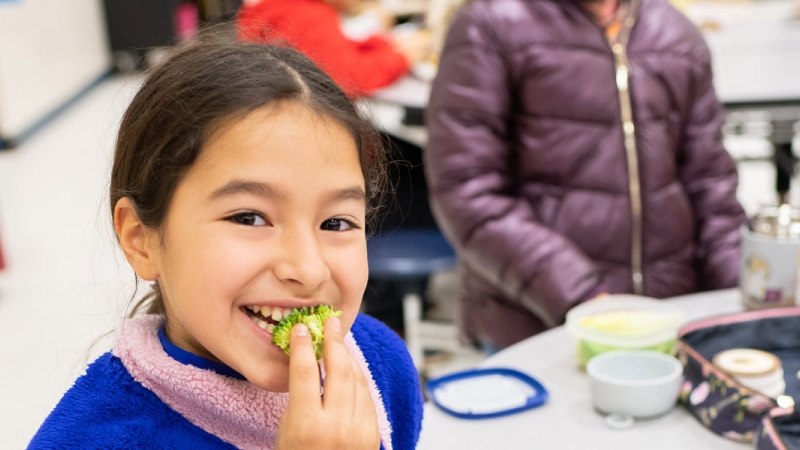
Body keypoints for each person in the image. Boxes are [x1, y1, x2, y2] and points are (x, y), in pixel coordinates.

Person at [28, 35, 422, 449]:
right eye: (249, 218)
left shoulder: (382, 365)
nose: (307, 270)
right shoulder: (91, 440)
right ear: (141, 239)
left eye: (336, 223)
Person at [424, 0, 747, 351]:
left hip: (666, 324)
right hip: (537, 324)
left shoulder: (676, 33)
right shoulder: (489, 24)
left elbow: (711, 186)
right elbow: (467, 190)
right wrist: (585, 298)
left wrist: (744, 291)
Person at [236, 0, 429, 96]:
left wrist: (387, 46)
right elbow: (348, 78)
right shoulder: (310, 15)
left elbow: (336, 48)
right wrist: (402, 57)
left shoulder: (283, 6)